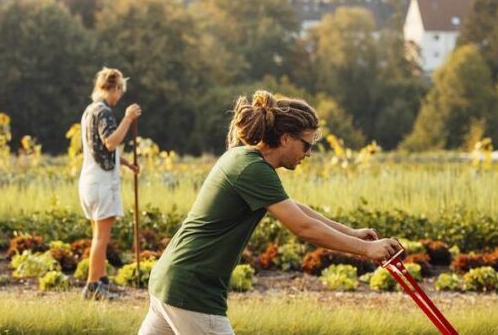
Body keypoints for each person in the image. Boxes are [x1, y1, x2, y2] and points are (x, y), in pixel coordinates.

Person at [138, 90, 403, 335]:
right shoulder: (252, 169)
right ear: (286, 138)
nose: (308, 154)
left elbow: (295, 208)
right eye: (306, 145)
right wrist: (366, 250)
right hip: (193, 290)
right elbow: (303, 228)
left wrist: (351, 233)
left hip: (171, 280)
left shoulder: (245, 158)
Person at [79, 67, 142, 300]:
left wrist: (125, 164)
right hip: (101, 183)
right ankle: (93, 286)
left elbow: (97, 147)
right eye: (119, 92)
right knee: (101, 237)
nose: (118, 97)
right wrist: (128, 118)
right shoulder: (104, 112)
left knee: (99, 234)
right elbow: (109, 142)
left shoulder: (89, 111)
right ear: (114, 88)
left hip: (90, 180)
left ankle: (102, 278)